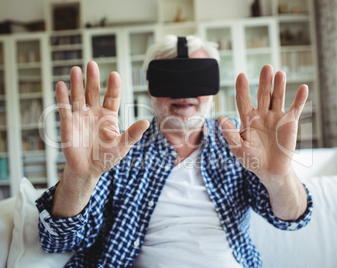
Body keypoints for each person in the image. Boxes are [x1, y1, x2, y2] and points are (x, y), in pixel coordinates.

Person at [36, 35, 313, 268]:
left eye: (196, 79)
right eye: (171, 79)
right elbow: (58, 241)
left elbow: (292, 220)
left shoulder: (240, 144)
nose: (184, 93)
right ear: (150, 88)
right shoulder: (117, 151)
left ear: (212, 89)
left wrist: (278, 176)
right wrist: (77, 177)